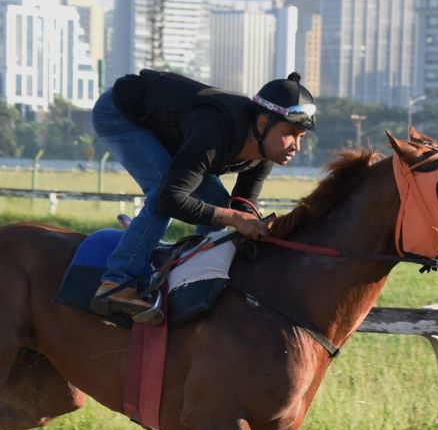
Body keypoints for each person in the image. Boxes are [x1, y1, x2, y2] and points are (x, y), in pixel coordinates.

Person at [90, 69, 316, 323]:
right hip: (120, 114)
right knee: (161, 194)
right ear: (263, 123)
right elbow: (171, 199)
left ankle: (194, 280)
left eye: (301, 136)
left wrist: (256, 224)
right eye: (290, 133)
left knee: (218, 204)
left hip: (170, 129)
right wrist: (235, 218)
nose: (296, 146)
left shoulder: (265, 152)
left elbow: (241, 204)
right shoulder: (217, 130)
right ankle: (117, 282)